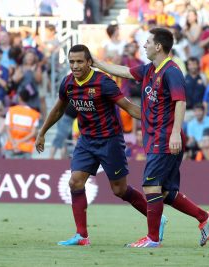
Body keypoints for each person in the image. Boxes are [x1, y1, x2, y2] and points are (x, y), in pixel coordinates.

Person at [93, 27, 209, 248]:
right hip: (156, 137)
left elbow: (180, 101)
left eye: (148, 41)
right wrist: (97, 63)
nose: (144, 45)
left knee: (151, 186)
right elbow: (124, 71)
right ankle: (204, 217)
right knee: (166, 192)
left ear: (158, 46)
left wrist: (176, 133)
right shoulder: (150, 69)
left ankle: (152, 239)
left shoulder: (171, 71)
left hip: (166, 136)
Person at [35, 44, 167, 246]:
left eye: (80, 61)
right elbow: (58, 110)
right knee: (75, 182)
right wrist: (42, 132)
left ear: (89, 62)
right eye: (72, 62)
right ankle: (82, 236)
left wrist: (157, 120)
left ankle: (155, 216)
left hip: (110, 141)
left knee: (119, 190)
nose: (75, 66)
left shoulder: (103, 82)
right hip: (86, 141)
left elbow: (128, 107)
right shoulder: (68, 83)